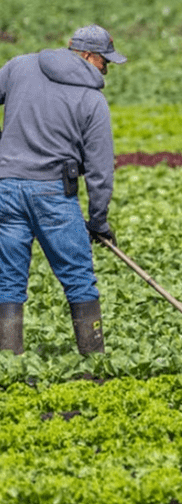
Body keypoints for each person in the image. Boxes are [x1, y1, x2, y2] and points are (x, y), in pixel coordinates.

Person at [0, 24, 124, 355]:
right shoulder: (93, 100)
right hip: (53, 195)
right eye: (105, 62)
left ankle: (8, 360)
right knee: (79, 277)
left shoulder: (17, 66)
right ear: (87, 56)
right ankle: (96, 359)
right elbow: (100, 172)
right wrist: (98, 223)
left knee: (8, 279)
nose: (107, 70)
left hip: (6, 191)